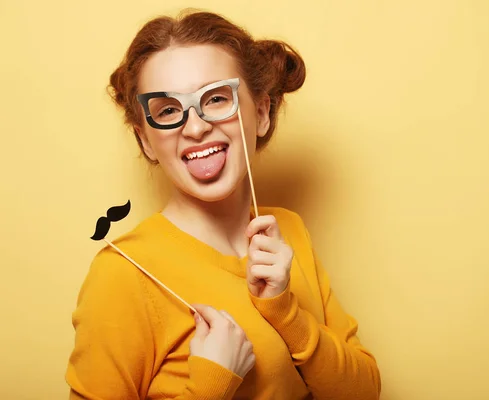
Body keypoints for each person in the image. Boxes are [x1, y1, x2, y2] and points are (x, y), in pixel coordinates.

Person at [65, 8, 381, 400]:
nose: (195, 127)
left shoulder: (288, 231)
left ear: (262, 112)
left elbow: (364, 392)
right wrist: (212, 384)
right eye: (167, 110)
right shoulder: (122, 274)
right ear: (145, 139)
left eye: (215, 99)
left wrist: (287, 315)